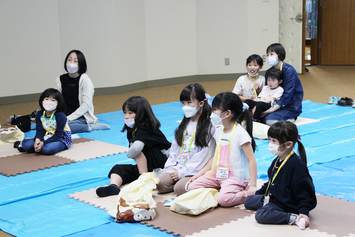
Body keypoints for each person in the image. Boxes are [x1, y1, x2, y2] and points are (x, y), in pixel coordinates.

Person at [188, 92, 257, 207]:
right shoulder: (219, 130)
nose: (212, 113)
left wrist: (253, 185)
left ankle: (244, 192)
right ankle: (222, 190)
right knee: (192, 187)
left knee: (224, 200)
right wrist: (200, 174)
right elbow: (215, 156)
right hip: (217, 174)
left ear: (228, 113)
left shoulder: (240, 134)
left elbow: (251, 160)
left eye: (215, 109)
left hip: (234, 177)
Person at [244, 121, 317, 230]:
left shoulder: (297, 166)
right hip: (275, 196)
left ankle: (293, 217)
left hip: (287, 203)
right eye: (270, 140)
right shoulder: (277, 160)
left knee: (261, 215)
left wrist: (303, 212)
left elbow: (304, 193)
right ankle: (268, 205)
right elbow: (272, 182)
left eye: (274, 141)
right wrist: (257, 193)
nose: (270, 144)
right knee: (248, 201)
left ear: (288, 144)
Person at [96, 96, 171, 197]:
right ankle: (113, 186)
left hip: (163, 161)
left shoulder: (145, 127)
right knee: (118, 169)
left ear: (141, 114)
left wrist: (129, 153)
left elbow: (136, 149)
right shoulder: (132, 129)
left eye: (130, 113)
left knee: (139, 150)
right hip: (148, 165)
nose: (126, 116)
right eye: (125, 113)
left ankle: (143, 181)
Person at [156, 83, 216, 196]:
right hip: (180, 167)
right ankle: (183, 182)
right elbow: (175, 149)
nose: (185, 106)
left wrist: (183, 173)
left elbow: (204, 156)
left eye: (189, 102)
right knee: (160, 184)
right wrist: (170, 168)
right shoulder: (183, 125)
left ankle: (191, 183)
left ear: (201, 103)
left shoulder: (208, 126)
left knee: (179, 189)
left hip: (196, 169)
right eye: (183, 103)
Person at [55, 50, 110, 133]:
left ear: (81, 64)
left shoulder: (85, 80)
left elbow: (86, 105)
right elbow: (56, 101)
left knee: (62, 128)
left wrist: (69, 118)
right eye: (69, 60)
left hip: (81, 117)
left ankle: (89, 127)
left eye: (75, 61)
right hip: (64, 116)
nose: (71, 63)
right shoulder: (59, 79)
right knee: (49, 126)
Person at [260, 43, 304, 126]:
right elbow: (267, 90)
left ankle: (290, 119)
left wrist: (272, 110)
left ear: (280, 55)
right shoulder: (268, 72)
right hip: (272, 103)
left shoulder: (289, 71)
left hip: (290, 105)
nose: (269, 57)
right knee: (257, 115)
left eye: (271, 54)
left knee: (269, 120)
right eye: (267, 54)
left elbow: (288, 94)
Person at [20, 88, 72, 155]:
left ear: (58, 103)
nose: (49, 102)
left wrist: (43, 143)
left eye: (53, 100)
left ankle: (40, 147)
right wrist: (37, 140)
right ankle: (38, 147)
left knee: (47, 149)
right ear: (42, 100)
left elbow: (58, 135)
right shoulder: (39, 114)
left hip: (60, 138)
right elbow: (40, 130)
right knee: (26, 144)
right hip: (45, 136)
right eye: (46, 99)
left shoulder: (60, 116)